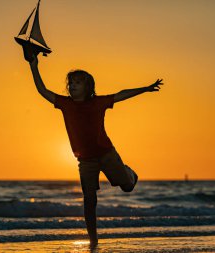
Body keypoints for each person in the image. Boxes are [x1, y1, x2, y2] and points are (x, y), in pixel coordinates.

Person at [28, 54, 163, 248]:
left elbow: (122, 94)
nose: (73, 86)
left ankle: (130, 173)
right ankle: (93, 241)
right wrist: (34, 66)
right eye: (71, 83)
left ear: (88, 87)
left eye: (78, 83)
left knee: (127, 187)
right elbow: (42, 90)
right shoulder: (65, 104)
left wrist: (146, 88)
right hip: (85, 161)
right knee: (89, 200)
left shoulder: (98, 102)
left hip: (107, 154)